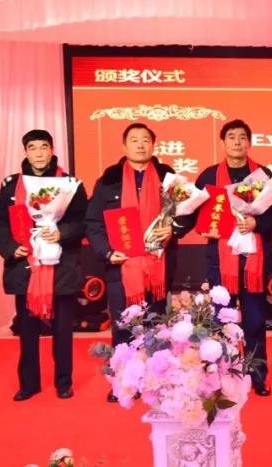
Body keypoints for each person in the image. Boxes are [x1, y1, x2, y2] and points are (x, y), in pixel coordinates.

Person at [85, 123, 194, 403]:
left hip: (159, 265)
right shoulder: (108, 180)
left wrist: (174, 229)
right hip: (121, 268)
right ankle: (122, 382)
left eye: (145, 140)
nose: (140, 145)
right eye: (134, 140)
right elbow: (93, 222)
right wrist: (107, 252)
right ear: (124, 146)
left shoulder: (168, 177)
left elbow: (189, 212)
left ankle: (156, 381)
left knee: (157, 326)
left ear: (153, 145)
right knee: (123, 326)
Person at [0, 130, 89, 401]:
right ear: (26, 152)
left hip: (61, 265)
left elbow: (84, 221)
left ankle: (63, 382)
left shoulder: (70, 184)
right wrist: (11, 248)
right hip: (26, 266)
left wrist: (62, 233)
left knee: (63, 330)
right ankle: (29, 383)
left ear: (51, 150)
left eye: (43, 147)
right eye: (32, 148)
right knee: (28, 330)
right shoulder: (12, 185)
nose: (39, 153)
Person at [195, 119, 272, 397]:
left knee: (255, 321)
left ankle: (257, 374)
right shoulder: (209, 176)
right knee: (221, 319)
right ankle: (222, 375)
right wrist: (206, 228)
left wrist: (257, 223)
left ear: (249, 142)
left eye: (242, 137)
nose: (237, 141)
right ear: (223, 142)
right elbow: (196, 214)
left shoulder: (263, 175)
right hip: (220, 260)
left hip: (253, 261)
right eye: (231, 136)